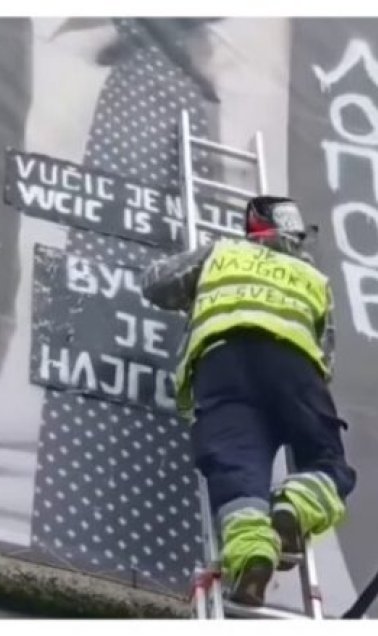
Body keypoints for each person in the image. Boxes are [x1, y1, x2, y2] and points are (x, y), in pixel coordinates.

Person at [141, 195, 357, 606]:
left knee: (235, 469)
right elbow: (325, 355)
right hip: (293, 370)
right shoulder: (313, 277)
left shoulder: (222, 253)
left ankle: (252, 557)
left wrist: (199, 290)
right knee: (324, 460)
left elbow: (156, 283)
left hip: (222, 367)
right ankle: (294, 507)